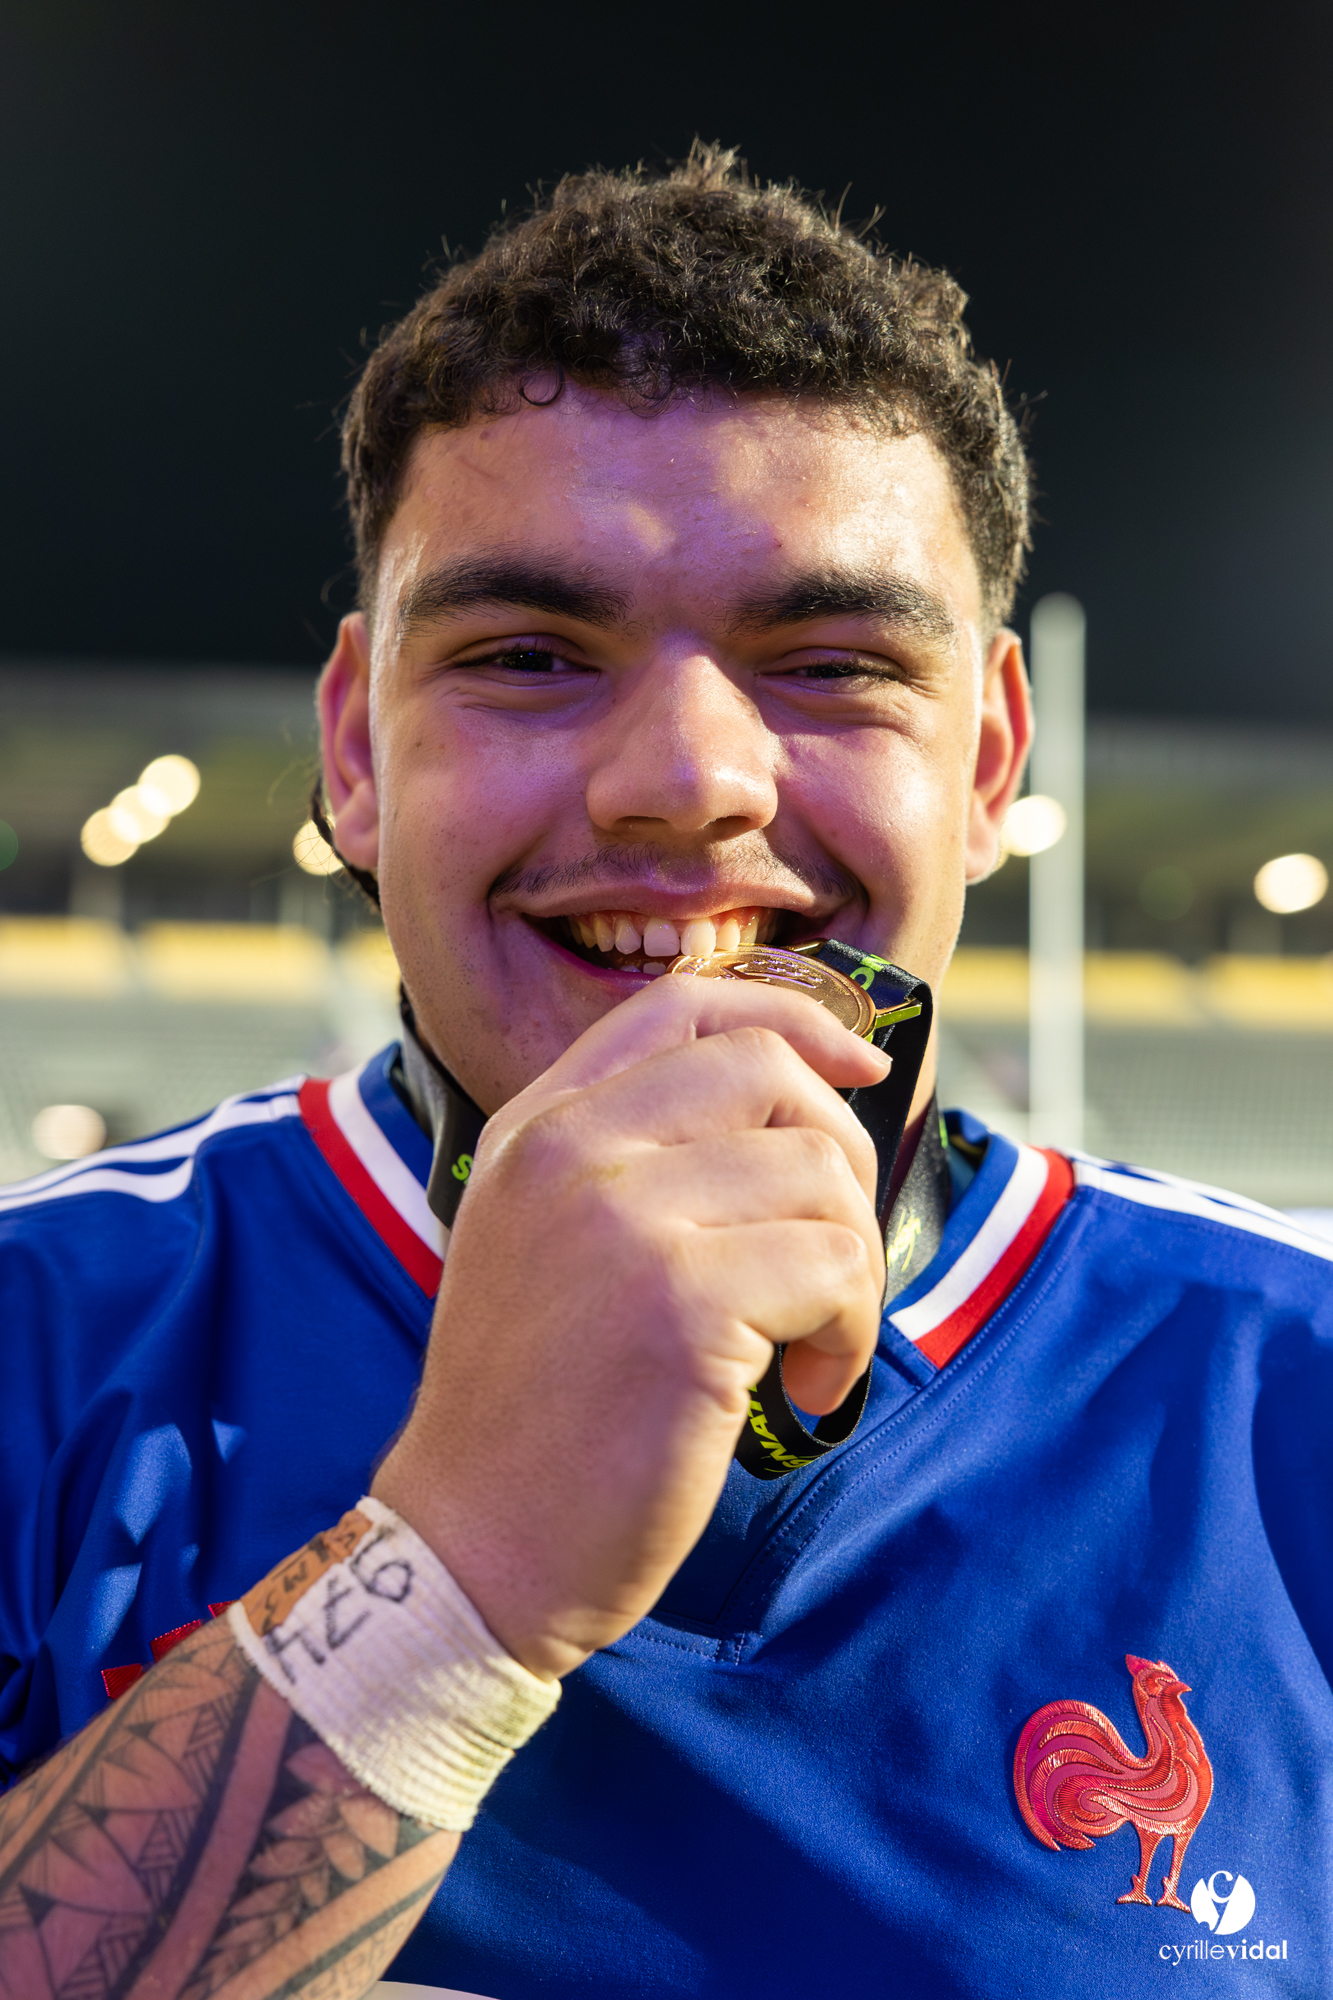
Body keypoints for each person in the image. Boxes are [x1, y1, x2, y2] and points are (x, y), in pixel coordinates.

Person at [0, 145, 1329, 2000]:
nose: (684, 780)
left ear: (987, 760)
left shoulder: (1292, 1394)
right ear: (354, 749)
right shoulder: (33, 1346)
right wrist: (453, 1579)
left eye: (831, 661)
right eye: (530, 654)